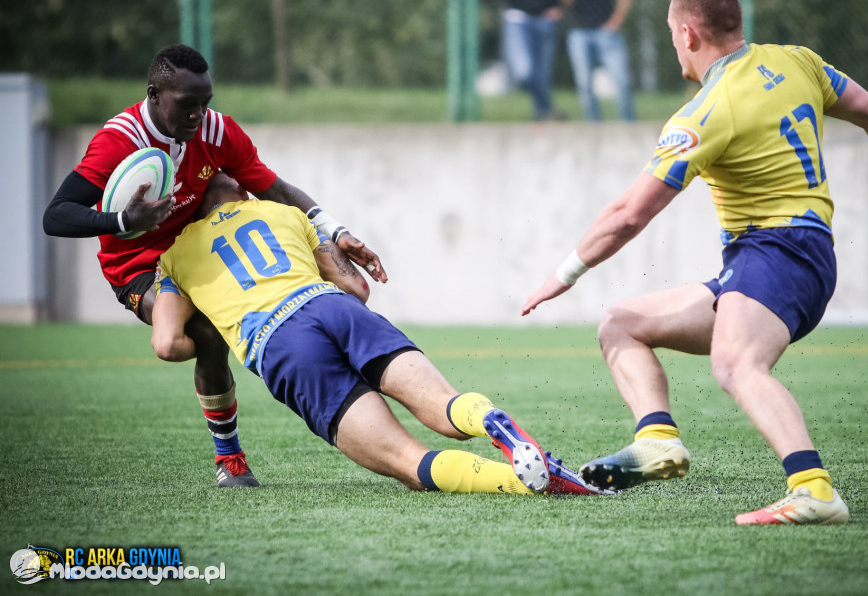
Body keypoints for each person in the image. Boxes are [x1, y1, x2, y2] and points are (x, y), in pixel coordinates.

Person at [521, 0, 868, 524]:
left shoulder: (707, 111)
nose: (672, 43)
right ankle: (658, 443)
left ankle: (815, 491)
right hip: (783, 258)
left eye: (670, 33)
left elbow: (630, 214)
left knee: (735, 363)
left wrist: (565, 274)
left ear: (687, 33)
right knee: (622, 324)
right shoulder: (798, 62)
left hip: (776, 252)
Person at [42, 44, 385, 488]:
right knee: (186, 340)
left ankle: (230, 458)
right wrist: (125, 220)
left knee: (226, 187)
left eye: (205, 103)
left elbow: (273, 189)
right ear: (154, 95)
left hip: (197, 249)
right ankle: (228, 346)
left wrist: (336, 231)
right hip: (138, 265)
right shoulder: (118, 143)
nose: (198, 116)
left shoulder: (218, 131)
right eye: (187, 105)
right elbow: (57, 214)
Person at [151, 173, 604, 496]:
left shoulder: (176, 255)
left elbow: (169, 344)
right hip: (335, 308)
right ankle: (491, 421)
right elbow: (356, 288)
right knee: (443, 404)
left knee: (410, 463)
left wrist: (214, 328)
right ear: (243, 192)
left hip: (281, 345)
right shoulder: (280, 212)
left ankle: (519, 484)